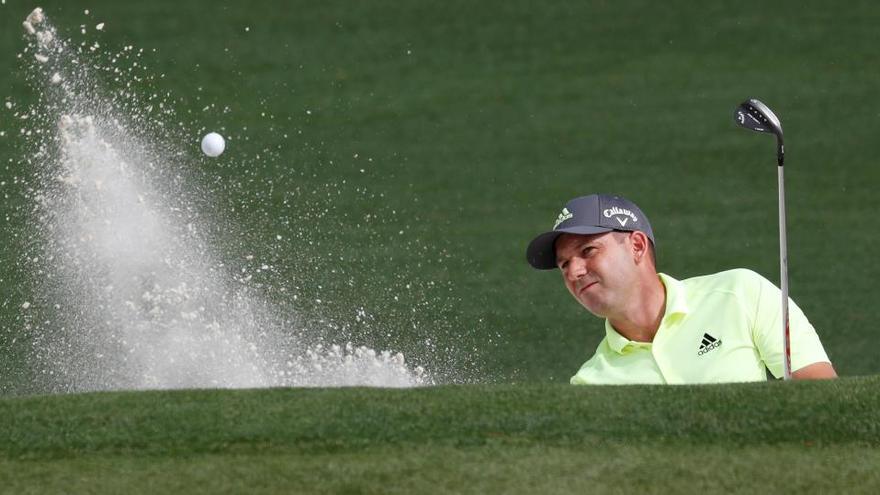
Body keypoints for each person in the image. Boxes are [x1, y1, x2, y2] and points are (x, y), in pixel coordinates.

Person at [526, 194, 837, 384]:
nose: (574, 272)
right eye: (564, 264)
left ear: (636, 246)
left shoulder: (740, 293)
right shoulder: (591, 382)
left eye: (588, 251)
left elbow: (821, 397)